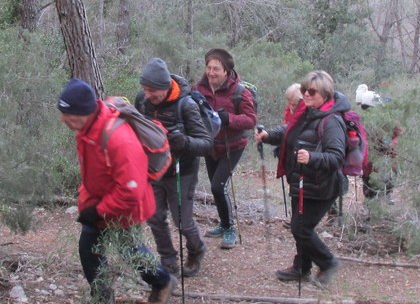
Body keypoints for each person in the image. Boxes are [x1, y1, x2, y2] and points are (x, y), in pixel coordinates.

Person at [57, 78, 176, 304]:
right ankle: (102, 302)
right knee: (88, 247)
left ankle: (162, 282)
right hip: (102, 201)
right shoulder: (86, 128)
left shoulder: (118, 138)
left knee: (130, 250)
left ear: (85, 111)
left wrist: (99, 211)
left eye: (68, 115)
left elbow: (130, 190)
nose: (64, 120)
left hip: (126, 206)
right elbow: (93, 171)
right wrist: (87, 203)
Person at [255, 70, 346, 287]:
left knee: (300, 227)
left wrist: (312, 157)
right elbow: (291, 131)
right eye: (304, 90)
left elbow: (337, 157)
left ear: (325, 93)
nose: (306, 94)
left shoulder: (332, 120)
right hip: (302, 182)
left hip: (322, 187)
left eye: (312, 91)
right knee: (299, 226)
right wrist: (269, 135)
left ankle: (328, 262)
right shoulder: (308, 113)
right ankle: (302, 266)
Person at [134, 58, 212, 278]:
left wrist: (184, 142)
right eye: (145, 89)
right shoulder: (142, 101)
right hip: (153, 169)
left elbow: (206, 144)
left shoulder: (185, 105)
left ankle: (196, 249)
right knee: (155, 217)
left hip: (181, 170)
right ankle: (168, 261)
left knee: (182, 222)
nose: (148, 95)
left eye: (152, 91)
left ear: (165, 87)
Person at [195, 48, 257, 249]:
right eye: (208, 68)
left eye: (216, 69)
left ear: (226, 71)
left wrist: (228, 119)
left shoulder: (239, 92)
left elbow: (250, 120)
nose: (211, 72)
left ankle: (230, 228)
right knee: (216, 187)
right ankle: (223, 224)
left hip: (233, 146)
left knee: (217, 186)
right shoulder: (199, 89)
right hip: (210, 146)